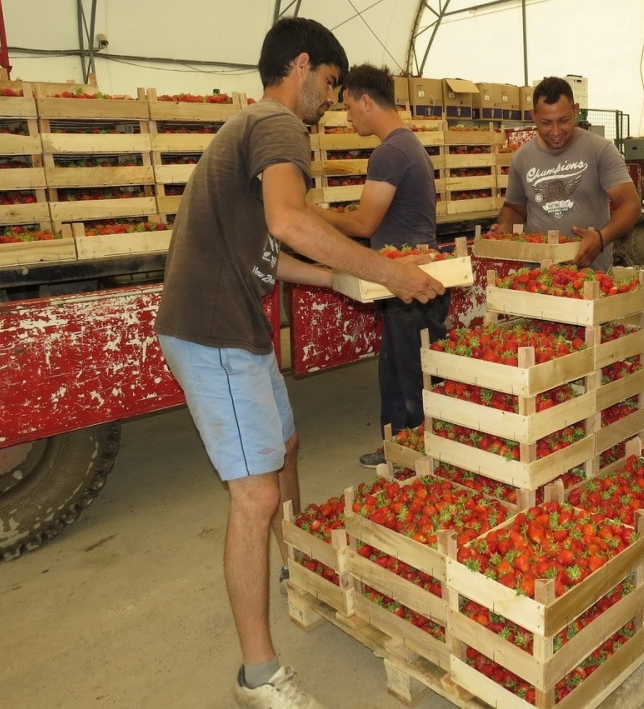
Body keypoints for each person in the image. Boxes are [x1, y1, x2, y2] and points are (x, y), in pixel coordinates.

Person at [153, 18, 444, 709]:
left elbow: (267, 251)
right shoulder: (279, 124)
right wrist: (388, 272)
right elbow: (290, 220)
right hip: (215, 328)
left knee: (285, 445)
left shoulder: (248, 127)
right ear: (304, 65)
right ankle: (258, 674)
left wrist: (342, 280)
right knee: (254, 495)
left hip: (230, 324)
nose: (329, 102)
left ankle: (298, 570)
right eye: (332, 85)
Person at [309, 64, 449, 468]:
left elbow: (363, 223)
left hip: (410, 280)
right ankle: (400, 448)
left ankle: (426, 456)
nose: (348, 116)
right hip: (408, 276)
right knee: (398, 368)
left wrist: (311, 213)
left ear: (367, 101)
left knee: (412, 372)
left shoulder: (390, 151)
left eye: (349, 106)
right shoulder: (408, 145)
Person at [493, 76, 641, 270]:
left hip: (591, 276)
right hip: (538, 275)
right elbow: (515, 208)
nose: (555, 131)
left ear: (575, 111)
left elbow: (631, 205)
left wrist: (601, 238)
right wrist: (503, 228)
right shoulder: (522, 157)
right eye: (546, 123)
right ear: (533, 116)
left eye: (563, 121)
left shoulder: (599, 150)